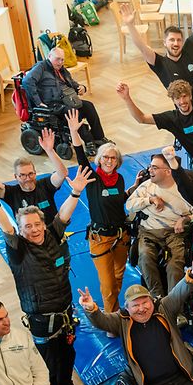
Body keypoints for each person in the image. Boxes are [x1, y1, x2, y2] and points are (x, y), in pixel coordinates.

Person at [0, 170, 95, 385]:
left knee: (67, 353)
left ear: (43, 224)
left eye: (36, 224)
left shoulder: (53, 233)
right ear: (21, 230)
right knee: (46, 360)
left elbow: (63, 215)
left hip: (64, 310)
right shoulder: (18, 249)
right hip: (41, 319)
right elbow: (6, 229)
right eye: (27, 227)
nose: (33, 230)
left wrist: (75, 192)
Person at [65, 109, 136, 313]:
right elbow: (79, 154)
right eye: (105, 157)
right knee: (107, 283)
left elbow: (119, 200)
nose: (109, 161)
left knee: (118, 276)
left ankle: (111, 308)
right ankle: (111, 315)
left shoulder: (120, 179)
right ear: (99, 158)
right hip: (100, 238)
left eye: (113, 158)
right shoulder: (92, 178)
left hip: (121, 235)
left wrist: (134, 188)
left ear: (118, 161)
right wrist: (73, 131)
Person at [124, 151, 193, 297]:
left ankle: (173, 302)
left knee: (175, 264)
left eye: (154, 168)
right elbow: (129, 204)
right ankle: (156, 297)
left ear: (167, 171)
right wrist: (149, 200)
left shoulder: (184, 190)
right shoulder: (146, 187)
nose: (149, 171)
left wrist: (185, 219)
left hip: (175, 233)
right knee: (145, 258)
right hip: (148, 231)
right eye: (150, 167)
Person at [118, 79, 193, 175]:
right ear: (173, 100)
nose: (182, 101)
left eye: (184, 96)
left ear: (190, 96)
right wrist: (127, 98)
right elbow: (142, 119)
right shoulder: (172, 119)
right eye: (177, 98)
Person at [0, 131, 71, 225]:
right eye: (22, 175)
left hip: (51, 234)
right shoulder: (11, 193)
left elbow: (62, 173)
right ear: (16, 177)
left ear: (35, 173)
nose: (28, 178)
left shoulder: (45, 185)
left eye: (30, 174)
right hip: (28, 237)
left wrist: (50, 151)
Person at [21, 47, 106, 142]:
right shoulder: (41, 67)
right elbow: (27, 81)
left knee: (88, 106)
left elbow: (71, 82)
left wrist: (81, 87)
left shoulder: (61, 69)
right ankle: (89, 142)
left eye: (62, 59)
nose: (60, 62)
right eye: (57, 59)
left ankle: (99, 138)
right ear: (49, 56)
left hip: (66, 100)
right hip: (52, 104)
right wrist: (38, 102)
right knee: (73, 112)